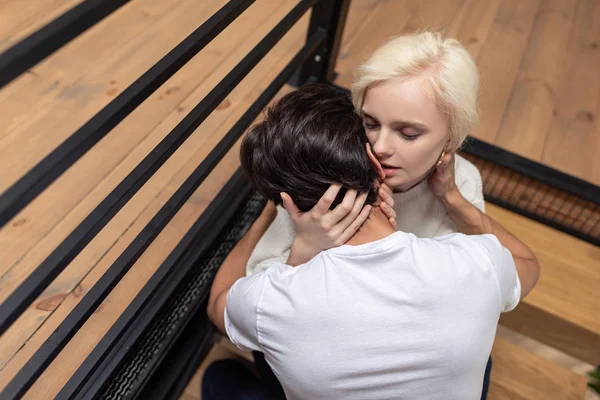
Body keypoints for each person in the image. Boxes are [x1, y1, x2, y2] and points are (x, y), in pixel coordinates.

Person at [204, 84, 540, 399]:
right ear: (380, 168)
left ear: (287, 203)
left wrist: (275, 227)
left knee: (219, 376)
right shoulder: (474, 263)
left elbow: (218, 303)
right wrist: (451, 197)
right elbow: (527, 264)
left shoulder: (270, 302)